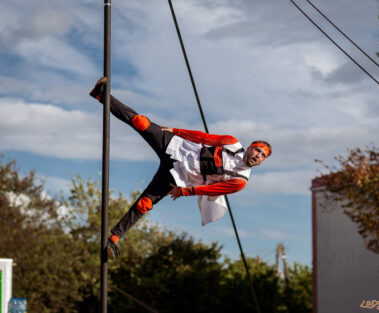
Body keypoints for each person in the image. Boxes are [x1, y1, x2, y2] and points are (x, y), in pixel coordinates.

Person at [90, 77, 271, 259]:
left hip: (179, 176)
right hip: (178, 148)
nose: (258, 155)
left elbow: (210, 189)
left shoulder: (240, 181)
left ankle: (114, 238)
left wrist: (182, 192)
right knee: (141, 122)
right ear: (250, 147)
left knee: (145, 204)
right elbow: (203, 137)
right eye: (257, 150)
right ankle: (101, 96)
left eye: (262, 155)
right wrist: (176, 131)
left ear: (262, 162)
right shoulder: (231, 142)